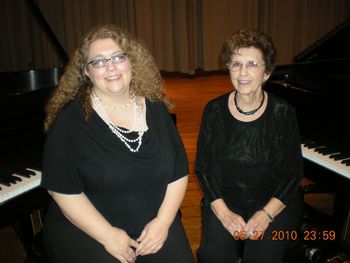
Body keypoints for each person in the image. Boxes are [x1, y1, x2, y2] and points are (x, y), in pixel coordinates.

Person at [40, 24, 195, 263]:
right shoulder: (70, 119)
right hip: (88, 227)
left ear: (131, 62)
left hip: (153, 220)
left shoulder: (155, 108)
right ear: (87, 72)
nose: (110, 67)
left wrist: (163, 222)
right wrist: (107, 235)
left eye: (118, 57)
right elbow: (61, 188)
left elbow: (178, 172)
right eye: (98, 62)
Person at [195, 29, 304, 263]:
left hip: (273, 201)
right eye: (236, 64)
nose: (243, 73)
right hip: (226, 199)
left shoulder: (283, 112)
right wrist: (224, 214)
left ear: (266, 72)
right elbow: (203, 169)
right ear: (229, 68)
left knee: (262, 258)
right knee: (213, 256)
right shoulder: (214, 110)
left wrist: (266, 214)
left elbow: (294, 173)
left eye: (252, 64)